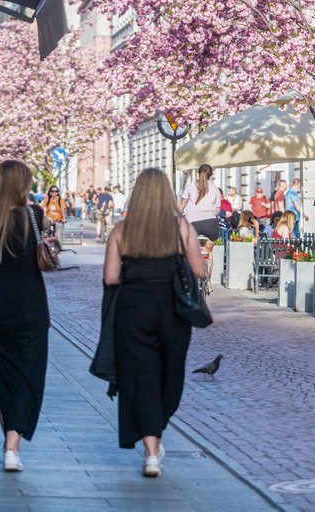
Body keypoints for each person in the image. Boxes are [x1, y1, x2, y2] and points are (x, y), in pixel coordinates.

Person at [103, 167, 207, 477]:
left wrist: (136, 271)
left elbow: (110, 277)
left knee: (141, 377)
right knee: (170, 376)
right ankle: (155, 435)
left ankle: (150, 453)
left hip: (133, 309)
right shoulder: (181, 227)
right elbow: (200, 270)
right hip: (173, 310)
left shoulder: (122, 229)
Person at [0, 160, 51, 472]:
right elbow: (46, 233)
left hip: (1, 306)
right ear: (23, 185)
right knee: (30, 373)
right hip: (32, 305)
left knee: (6, 375)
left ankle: (9, 443)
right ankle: (13, 446)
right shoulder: (33, 214)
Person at [180, 164, 220, 241]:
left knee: (185, 246)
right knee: (209, 248)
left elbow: (182, 204)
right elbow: (217, 210)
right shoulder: (215, 189)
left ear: (198, 173)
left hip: (192, 223)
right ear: (210, 175)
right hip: (210, 224)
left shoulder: (190, 186)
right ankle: (207, 251)